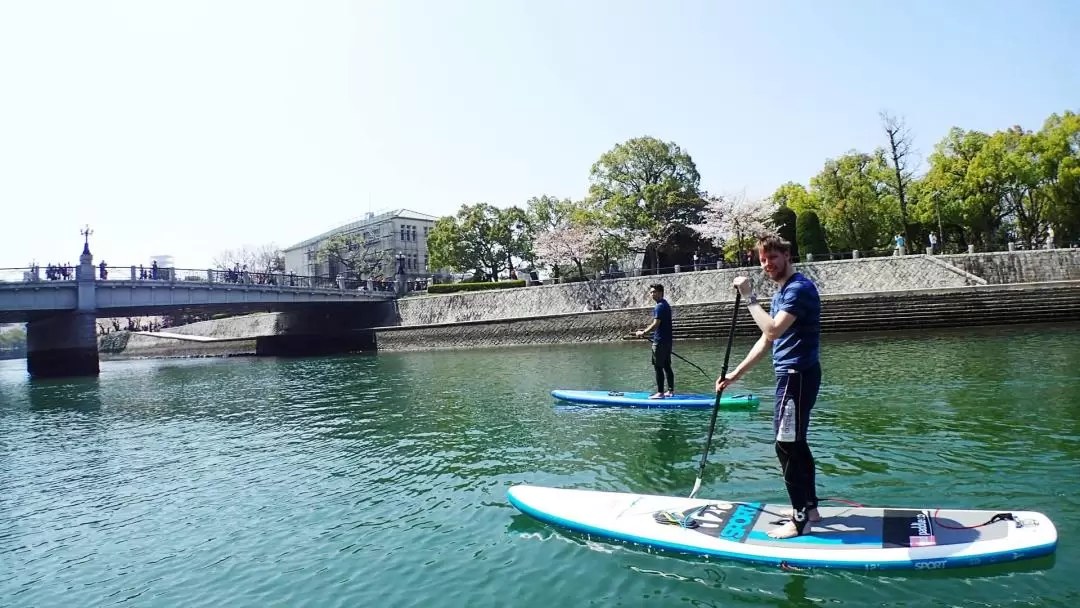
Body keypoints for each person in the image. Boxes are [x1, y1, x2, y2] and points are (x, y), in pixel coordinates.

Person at [716, 234, 822, 539]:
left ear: (787, 256)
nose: (767, 264)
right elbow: (765, 341)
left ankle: (799, 518)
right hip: (791, 377)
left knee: (785, 445)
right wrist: (734, 375)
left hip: (797, 376)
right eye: (763, 260)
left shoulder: (799, 289)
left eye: (773, 258)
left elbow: (772, 329)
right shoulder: (781, 294)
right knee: (795, 443)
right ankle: (811, 508)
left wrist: (749, 297)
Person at [635, 283, 674, 399]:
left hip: (660, 341)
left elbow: (656, 323)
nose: (652, 294)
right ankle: (671, 391)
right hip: (667, 341)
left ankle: (660, 393)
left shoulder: (659, 306)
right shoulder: (666, 304)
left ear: (661, 293)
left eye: (654, 292)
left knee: (658, 367)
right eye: (651, 292)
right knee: (667, 366)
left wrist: (643, 332)